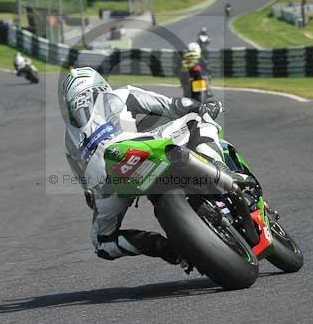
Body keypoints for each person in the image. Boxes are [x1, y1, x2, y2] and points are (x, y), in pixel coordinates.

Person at [60, 67, 226, 264]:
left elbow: (86, 185)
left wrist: (94, 197)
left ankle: (163, 247)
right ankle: (220, 173)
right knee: (199, 121)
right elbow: (173, 105)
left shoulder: (68, 139)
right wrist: (202, 107)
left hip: (110, 184)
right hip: (140, 147)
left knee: (103, 243)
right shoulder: (120, 94)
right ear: (101, 83)